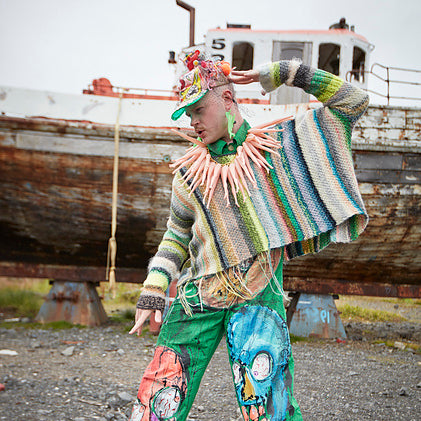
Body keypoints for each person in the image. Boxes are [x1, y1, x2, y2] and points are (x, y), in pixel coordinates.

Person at [128, 54, 369, 421]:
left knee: (268, 408)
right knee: (158, 401)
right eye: (188, 115)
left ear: (227, 99)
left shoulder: (275, 149)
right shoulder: (190, 175)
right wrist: (154, 289)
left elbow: (352, 101)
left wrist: (283, 72)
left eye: (199, 110)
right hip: (197, 298)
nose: (193, 122)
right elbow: (176, 236)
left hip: (259, 294)